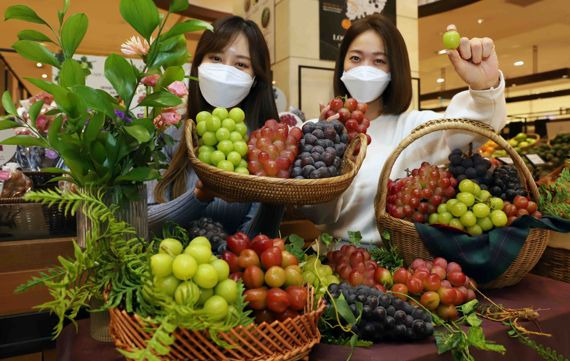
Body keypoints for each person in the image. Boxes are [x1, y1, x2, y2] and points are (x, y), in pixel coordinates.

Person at [299, 14, 506, 244]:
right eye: (355, 58)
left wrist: (483, 88)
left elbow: (468, 132)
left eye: (379, 61)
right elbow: (315, 214)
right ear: (342, 64)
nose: (365, 69)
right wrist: (324, 147)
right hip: (333, 262)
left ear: (394, 69)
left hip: (400, 264)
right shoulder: (316, 129)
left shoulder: (414, 126)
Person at [149, 16, 283, 237]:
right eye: (216, 58)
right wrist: (199, 196)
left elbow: (255, 241)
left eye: (241, 64)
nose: (225, 70)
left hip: (233, 269)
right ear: (199, 65)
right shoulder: (168, 133)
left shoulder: (263, 149)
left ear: (256, 78)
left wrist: (275, 199)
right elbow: (145, 222)